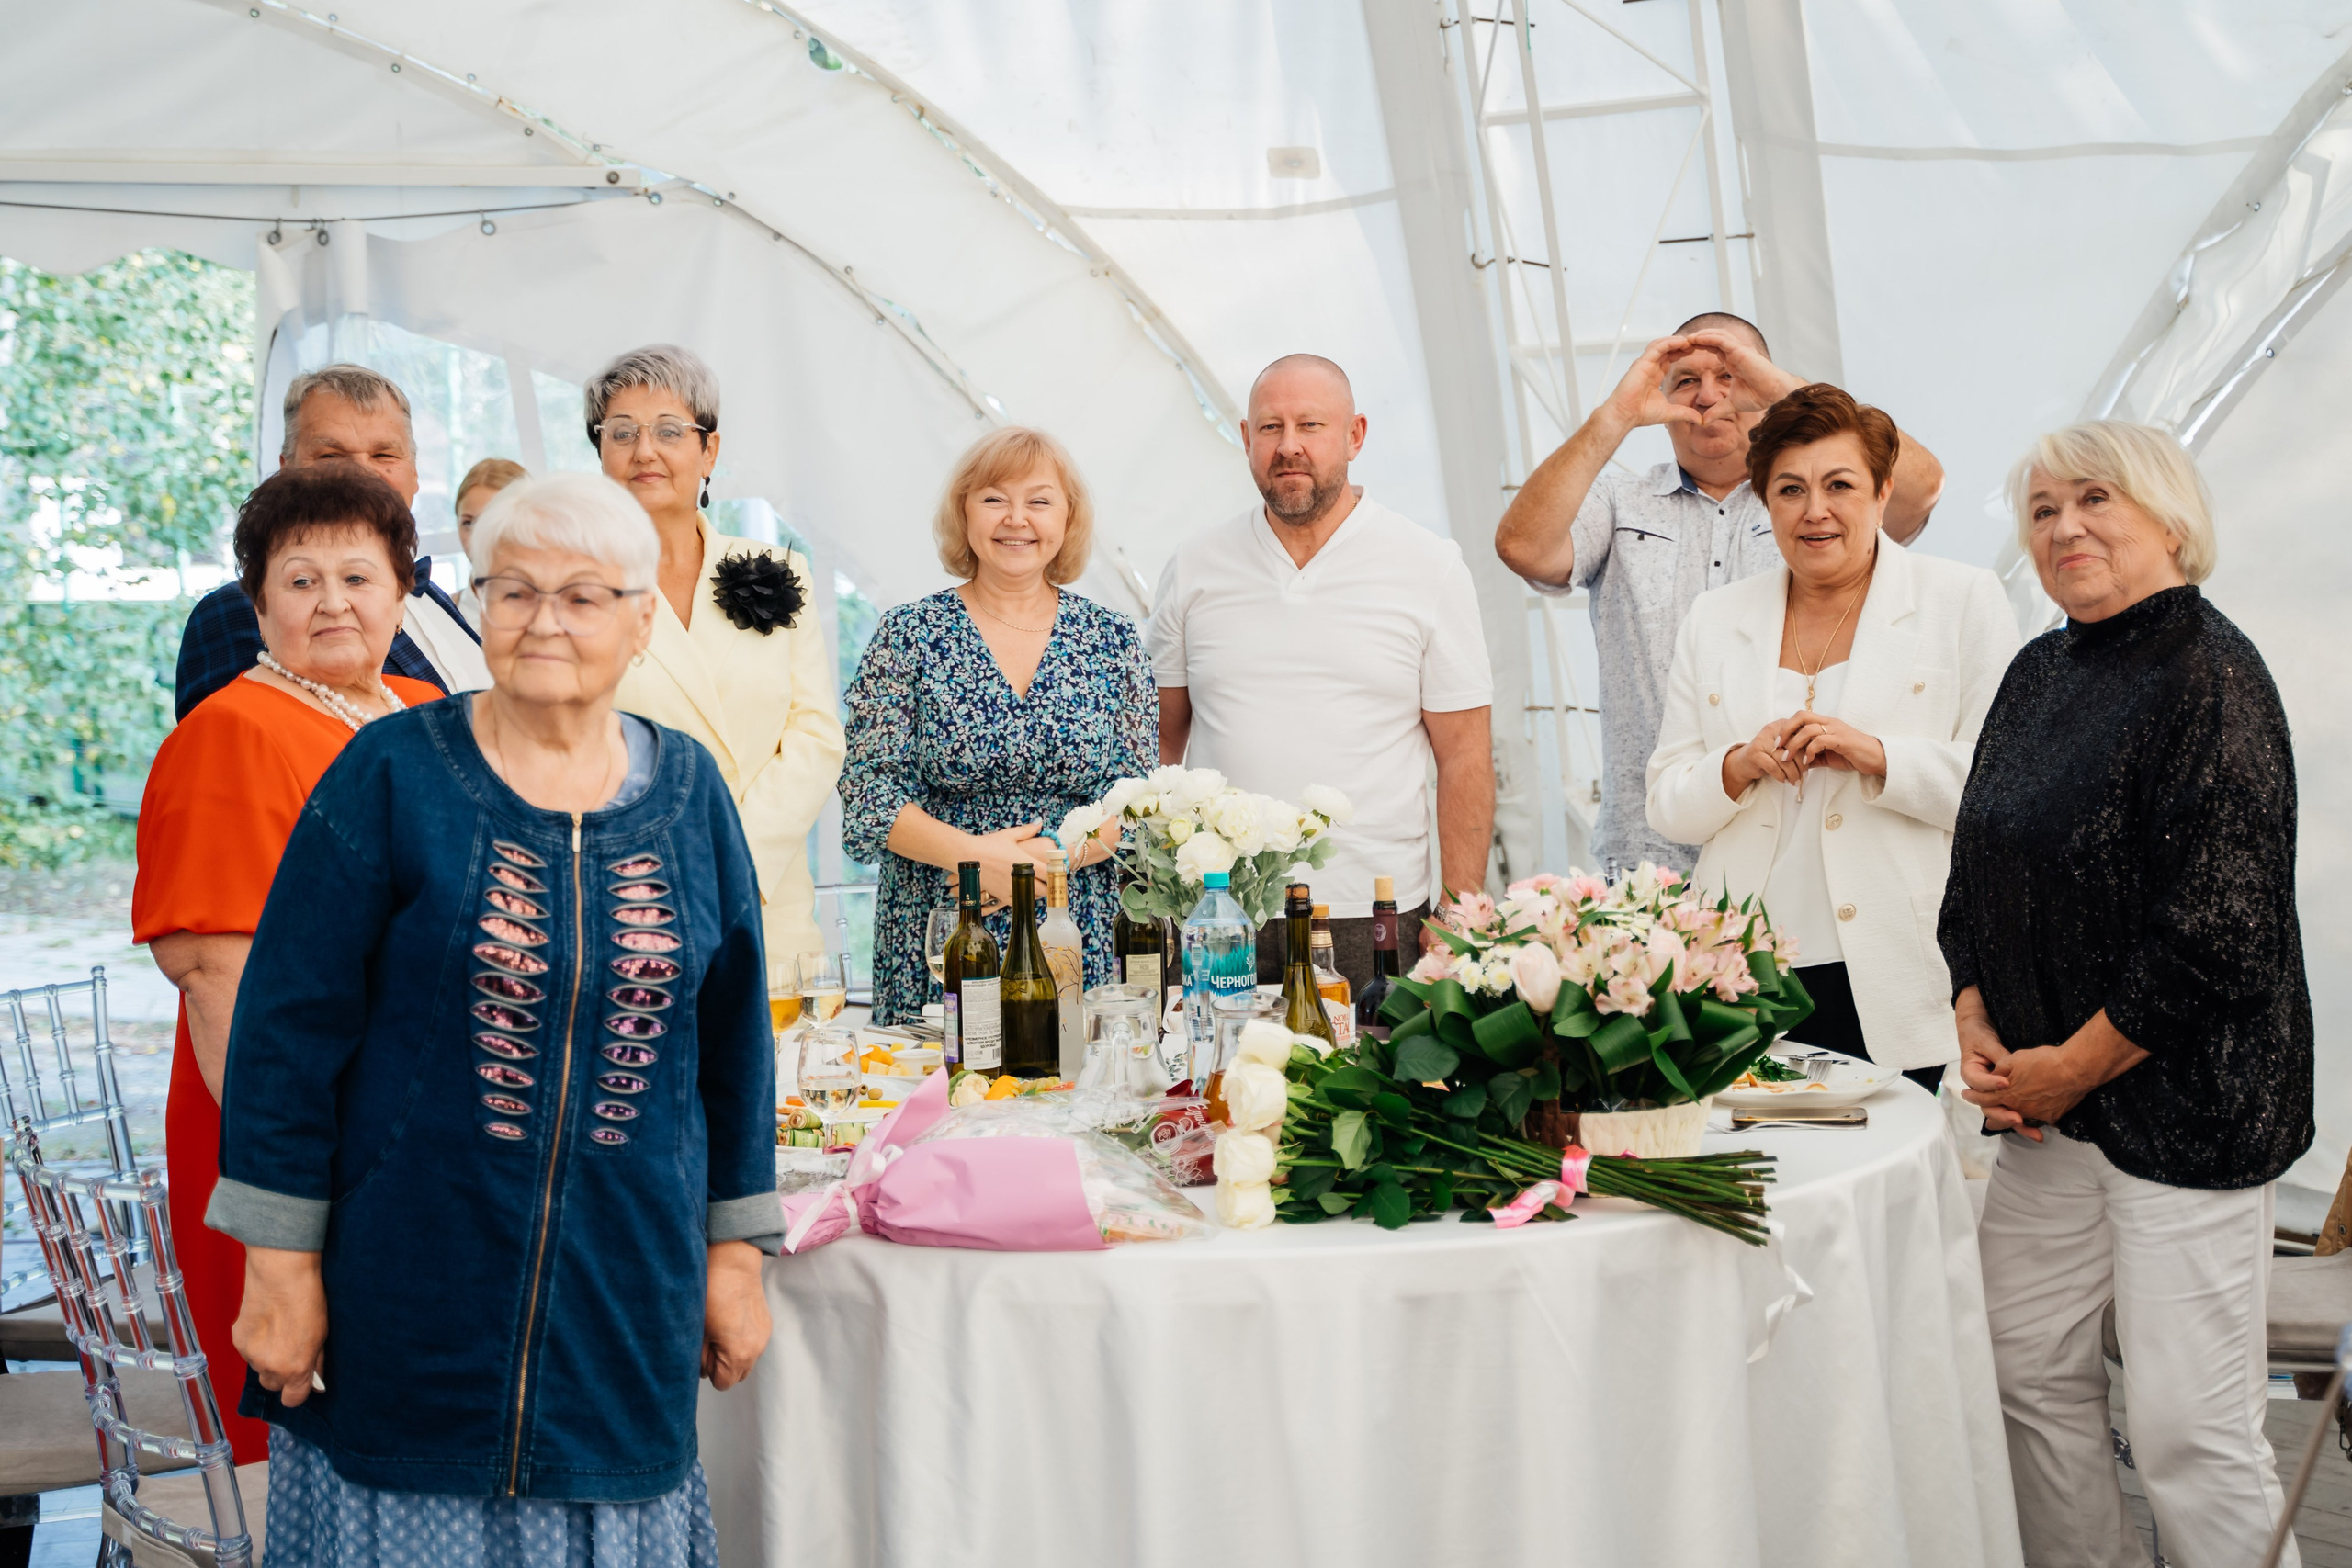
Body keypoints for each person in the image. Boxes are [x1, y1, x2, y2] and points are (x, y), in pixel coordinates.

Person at [207, 471, 776, 1563]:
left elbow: (734, 1048)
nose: (542, 621)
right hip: (411, 1293)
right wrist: (279, 1270)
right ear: (475, 608)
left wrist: (736, 1260)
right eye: (511, 591)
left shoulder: (690, 791)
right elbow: (287, 1035)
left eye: (581, 595)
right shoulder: (393, 773)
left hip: (626, 1295)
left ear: (640, 617)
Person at [1943, 421, 2312, 1567]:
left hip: (2186, 1112)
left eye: (2093, 499)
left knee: (2188, 1431)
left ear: (2167, 516)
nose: (2064, 528)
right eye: (2043, 510)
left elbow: (2221, 930)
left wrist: (2072, 1065)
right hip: (2048, 1112)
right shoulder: (2036, 669)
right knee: (2017, 1368)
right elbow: (1974, 872)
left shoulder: (2212, 675)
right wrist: (1974, 1018)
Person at [132, 465, 444, 1463]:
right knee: (318, 1428)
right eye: (299, 579)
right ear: (256, 602)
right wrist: (293, 1203)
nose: (333, 602)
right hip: (294, 1150)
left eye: (359, 577)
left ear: (403, 593)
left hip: (409, 1132)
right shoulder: (228, 733)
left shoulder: (417, 707)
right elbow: (220, 985)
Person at [1646, 385, 2016, 1092]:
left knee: (1888, 1173)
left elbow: (2008, 789)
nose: (1814, 510)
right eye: (1789, 489)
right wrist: (1736, 765)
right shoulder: (1715, 617)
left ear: (1882, 494)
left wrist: (1879, 755)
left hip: (1895, 965)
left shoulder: (1961, 599)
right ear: (1765, 503)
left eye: (1839, 485)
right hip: (1742, 971)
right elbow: (1666, 800)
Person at [1494, 313, 1946, 877]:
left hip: (1804, 850)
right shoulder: (1620, 502)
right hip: (1651, 856)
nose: (1708, 395)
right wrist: (1613, 419)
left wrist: (1788, 396)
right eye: (1685, 380)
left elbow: (1921, 489)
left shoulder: (1818, 507)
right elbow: (1522, 546)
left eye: (1731, 374)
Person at [1149, 354, 1494, 987]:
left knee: (1370, 1084)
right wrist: (1163, 889)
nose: (1289, 447)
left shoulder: (1428, 565)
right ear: (1247, 439)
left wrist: (1459, 905)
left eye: (1310, 425)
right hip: (1221, 909)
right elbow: (1161, 742)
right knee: (1214, 1082)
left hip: (1373, 910)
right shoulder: (1195, 566)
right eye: (1270, 428)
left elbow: (1466, 753)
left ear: (1355, 435)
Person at [842, 426, 1153, 1025]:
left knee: (1075, 1103)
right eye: (993, 498)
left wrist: (1051, 860)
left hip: (1074, 915)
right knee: (947, 1104)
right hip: (941, 923)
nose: (1016, 518)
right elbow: (869, 795)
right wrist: (973, 860)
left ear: (1068, 519)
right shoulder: (907, 635)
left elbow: (1138, 798)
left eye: (1039, 500)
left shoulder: (1113, 640)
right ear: (964, 511)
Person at [593, 344, 846, 988]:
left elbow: (817, 737)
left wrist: (731, 860)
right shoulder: (577, 585)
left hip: (769, 901)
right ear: (600, 453)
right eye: (622, 432)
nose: (645, 450)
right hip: (637, 898)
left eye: (669, 431)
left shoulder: (780, 571)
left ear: (709, 451)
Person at [173, 365, 489, 718]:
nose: (362, 474)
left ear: (414, 475)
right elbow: (235, 742)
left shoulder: (432, 596)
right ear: (285, 472)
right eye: (331, 456)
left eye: (384, 455)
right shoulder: (238, 609)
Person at [453, 456, 528, 629]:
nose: (478, 537)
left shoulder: (559, 610)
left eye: (493, 522)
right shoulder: (440, 615)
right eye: (468, 523)